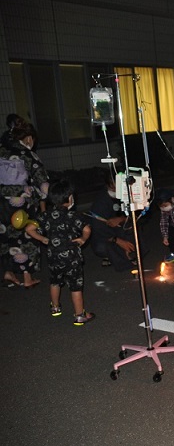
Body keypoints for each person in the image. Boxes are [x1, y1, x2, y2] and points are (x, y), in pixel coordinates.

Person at [25, 179, 95, 325]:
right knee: (75, 286)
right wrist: (82, 239)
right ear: (70, 198)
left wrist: (43, 239)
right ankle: (79, 315)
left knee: (55, 282)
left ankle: (55, 307)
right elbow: (87, 229)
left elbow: (29, 229)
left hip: (53, 257)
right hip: (72, 258)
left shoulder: (44, 216)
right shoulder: (75, 216)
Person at [0, 120, 48, 288]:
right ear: (28, 138)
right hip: (22, 203)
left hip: (2, 203)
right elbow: (42, 182)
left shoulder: (2, 151)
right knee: (26, 236)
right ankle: (27, 278)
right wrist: (44, 196)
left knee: (6, 236)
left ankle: (8, 272)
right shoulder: (27, 155)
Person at [89, 171, 138, 272]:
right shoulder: (101, 201)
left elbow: (137, 215)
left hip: (119, 229)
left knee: (132, 226)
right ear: (110, 185)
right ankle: (115, 255)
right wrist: (118, 241)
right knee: (101, 247)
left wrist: (121, 218)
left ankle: (126, 252)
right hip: (106, 234)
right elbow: (97, 228)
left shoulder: (128, 193)